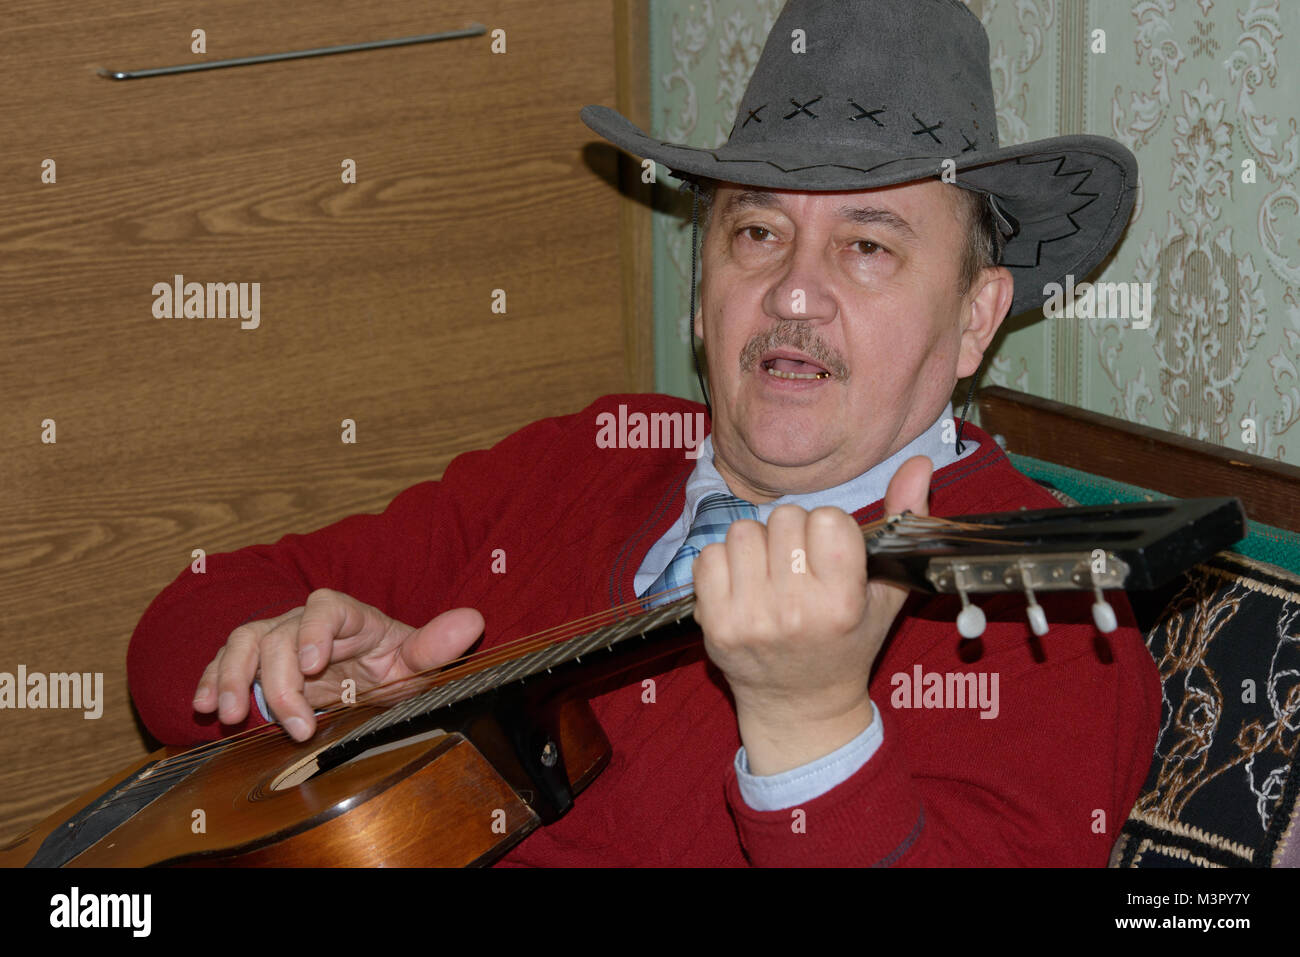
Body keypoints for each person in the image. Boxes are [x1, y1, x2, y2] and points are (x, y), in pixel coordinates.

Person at [127, 0, 1160, 866]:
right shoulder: (585, 455)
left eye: (867, 247)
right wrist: (307, 685)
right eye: (756, 233)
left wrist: (811, 730)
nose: (793, 290)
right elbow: (180, 633)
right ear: (702, 289)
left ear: (975, 317)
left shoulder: (1052, 614)